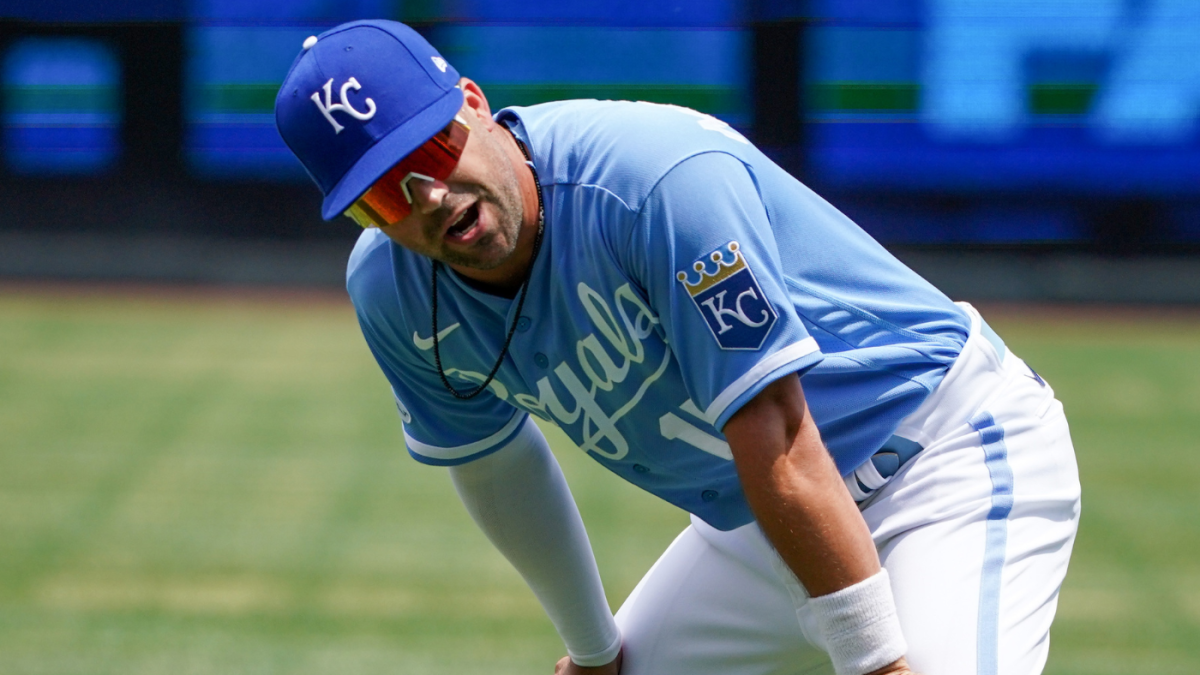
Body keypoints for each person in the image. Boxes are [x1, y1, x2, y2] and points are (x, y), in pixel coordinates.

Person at [275, 20, 1081, 675]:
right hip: (761, 520)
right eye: (386, 193)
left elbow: (782, 437)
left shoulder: (655, 182)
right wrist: (597, 652)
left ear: (476, 104)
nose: (431, 198)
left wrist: (872, 660)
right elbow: (494, 463)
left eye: (433, 151)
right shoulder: (391, 289)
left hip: (945, 462)